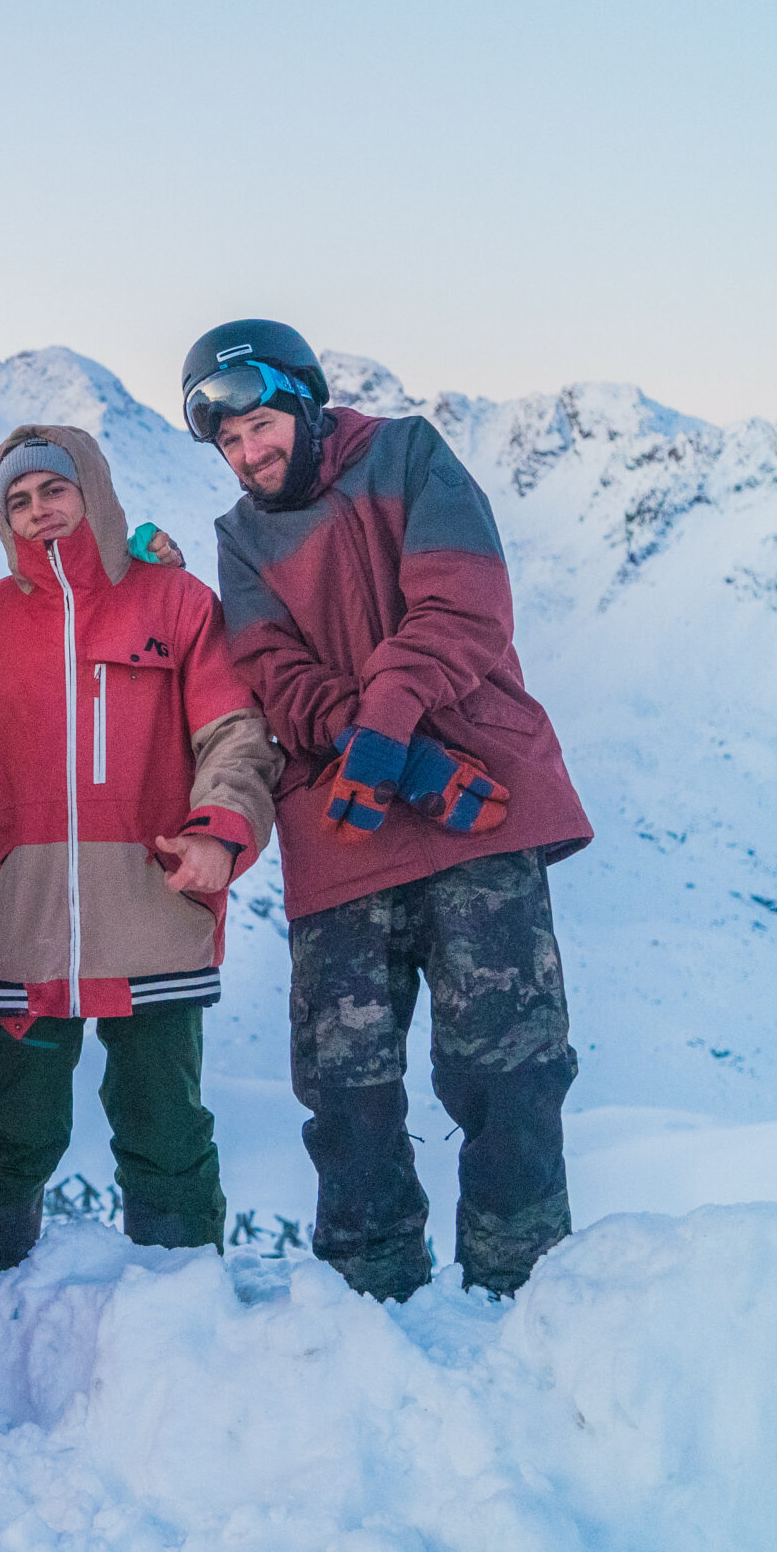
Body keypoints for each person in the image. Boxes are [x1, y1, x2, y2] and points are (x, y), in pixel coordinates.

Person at [190, 318, 593, 1302]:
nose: (248, 454)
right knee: (345, 1089)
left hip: (480, 808)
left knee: (509, 1070)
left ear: (301, 397)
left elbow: (462, 610)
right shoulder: (240, 542)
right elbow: (277, 680)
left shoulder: (408, 458)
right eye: (227, 442)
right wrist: (396, 756)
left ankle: (522, 1293)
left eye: (258, 426)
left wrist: (388, 726)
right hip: (348, 834)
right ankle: (367, 1303)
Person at [0, 426, 280, 1280]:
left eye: (54, 490)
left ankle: (180, 1319)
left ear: (93, 491)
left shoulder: (175, 600)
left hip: (156, 910)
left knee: (165, 1135)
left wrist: (219, 831)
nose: (38, 512)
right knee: (10, 1137)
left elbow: (236, 733)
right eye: (18, 500)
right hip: (23, 923)